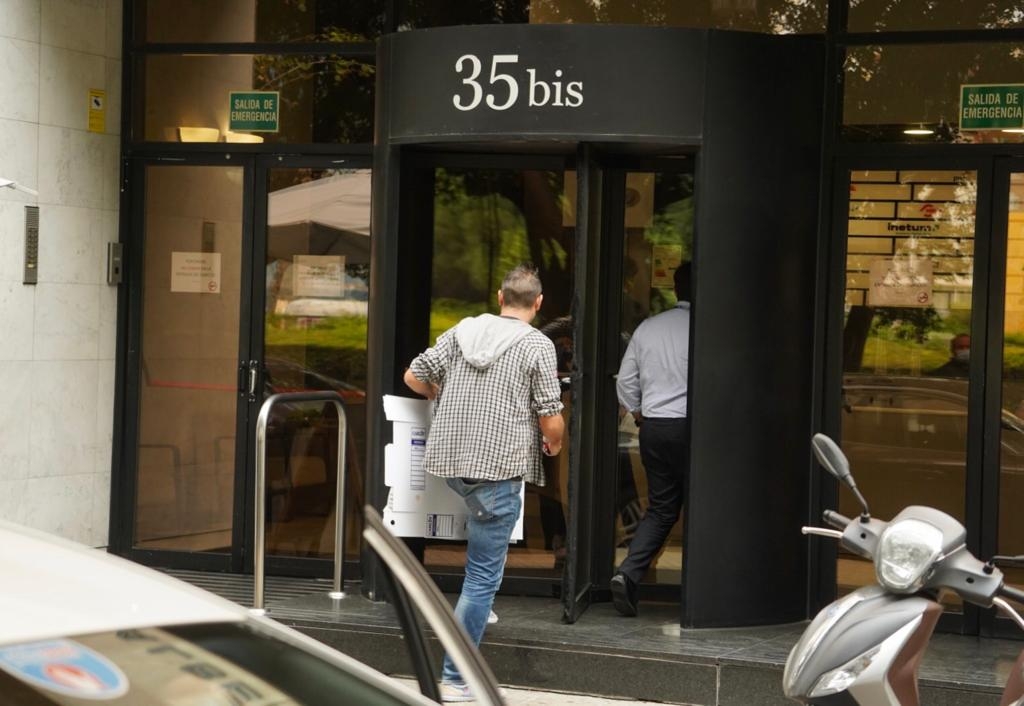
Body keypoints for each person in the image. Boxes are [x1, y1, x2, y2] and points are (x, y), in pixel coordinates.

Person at [403, 264, 565, 702]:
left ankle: (476, 611)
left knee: (479, 527)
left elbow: (414, 376)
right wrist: (554, 445)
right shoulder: (537, 344)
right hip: (496, 470)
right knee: (480, 579)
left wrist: (442, 394)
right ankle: (455, 678)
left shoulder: (461, 331)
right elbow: (551, 418)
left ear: (499, 297)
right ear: (538, 303)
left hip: (453, 463)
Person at [610, 262, 691, 617]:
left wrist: (639, 411)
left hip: (655, 428)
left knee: (661, 508)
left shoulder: (649, 328)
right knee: (706, 508)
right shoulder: (712, 329)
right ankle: (707, 589)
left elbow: (625, 382)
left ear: (676, 288)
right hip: (696, 429)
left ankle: (627, 573)